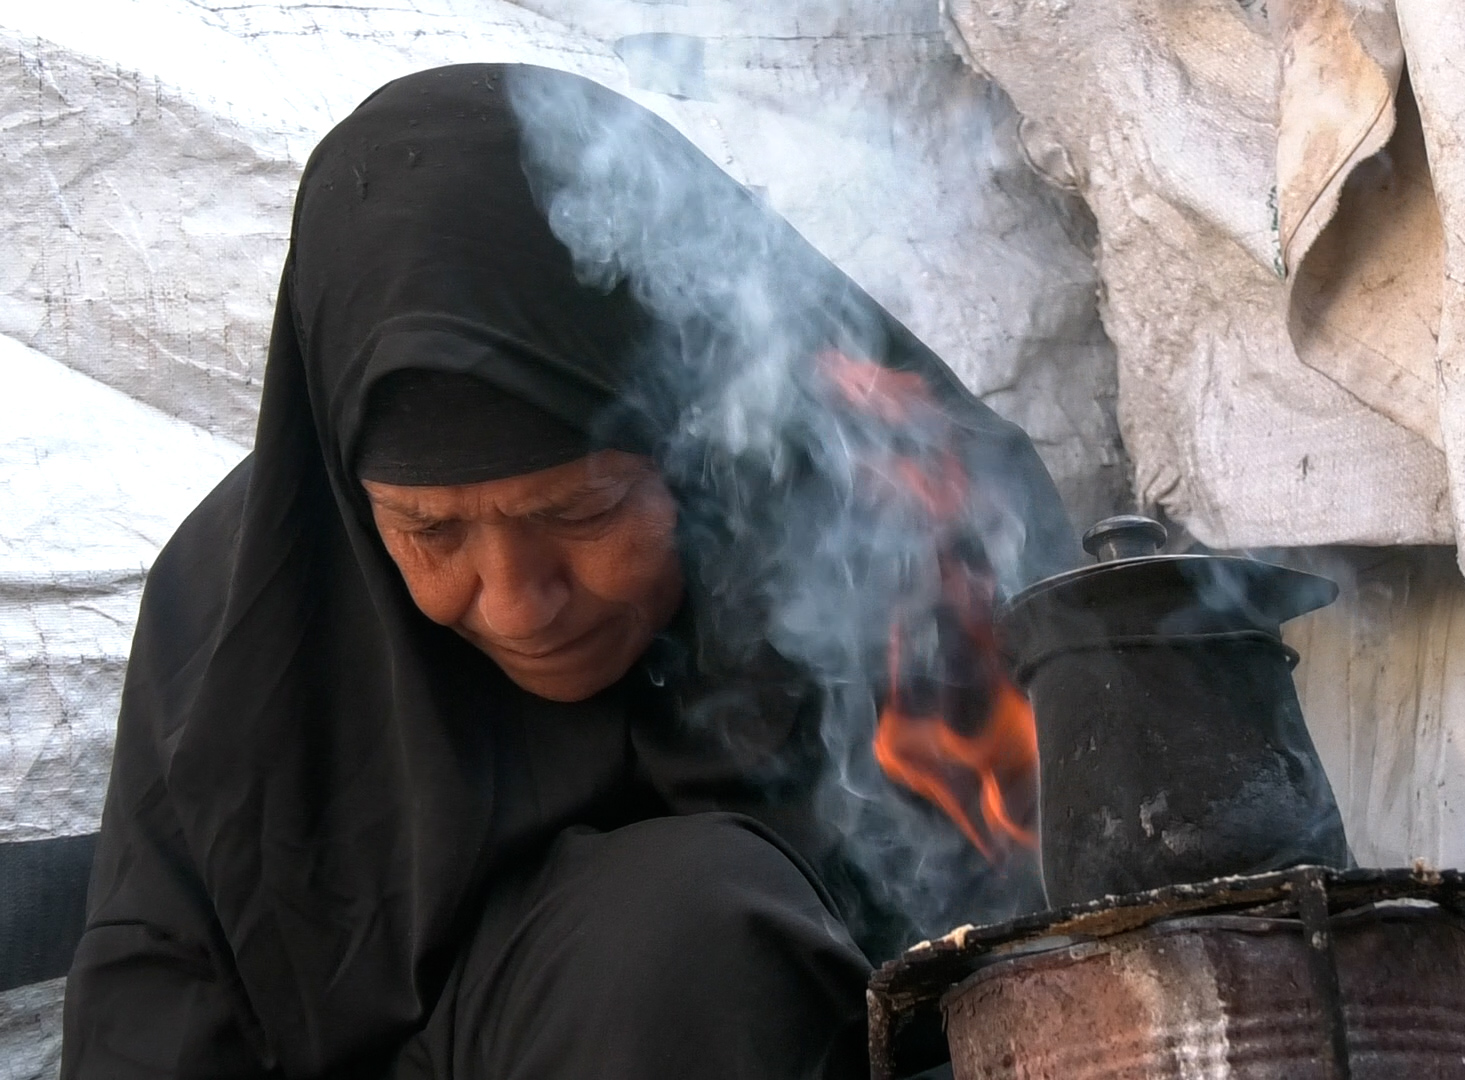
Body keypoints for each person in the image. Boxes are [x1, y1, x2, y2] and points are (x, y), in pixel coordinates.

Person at [61, 64, 1073, 1079]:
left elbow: (1061, 942)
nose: (516, 601)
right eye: (432, 534)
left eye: (583, 512)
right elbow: (155, 1012)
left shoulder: (888, 514)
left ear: (693, 449)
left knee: (681, 935)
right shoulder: (247, 606)